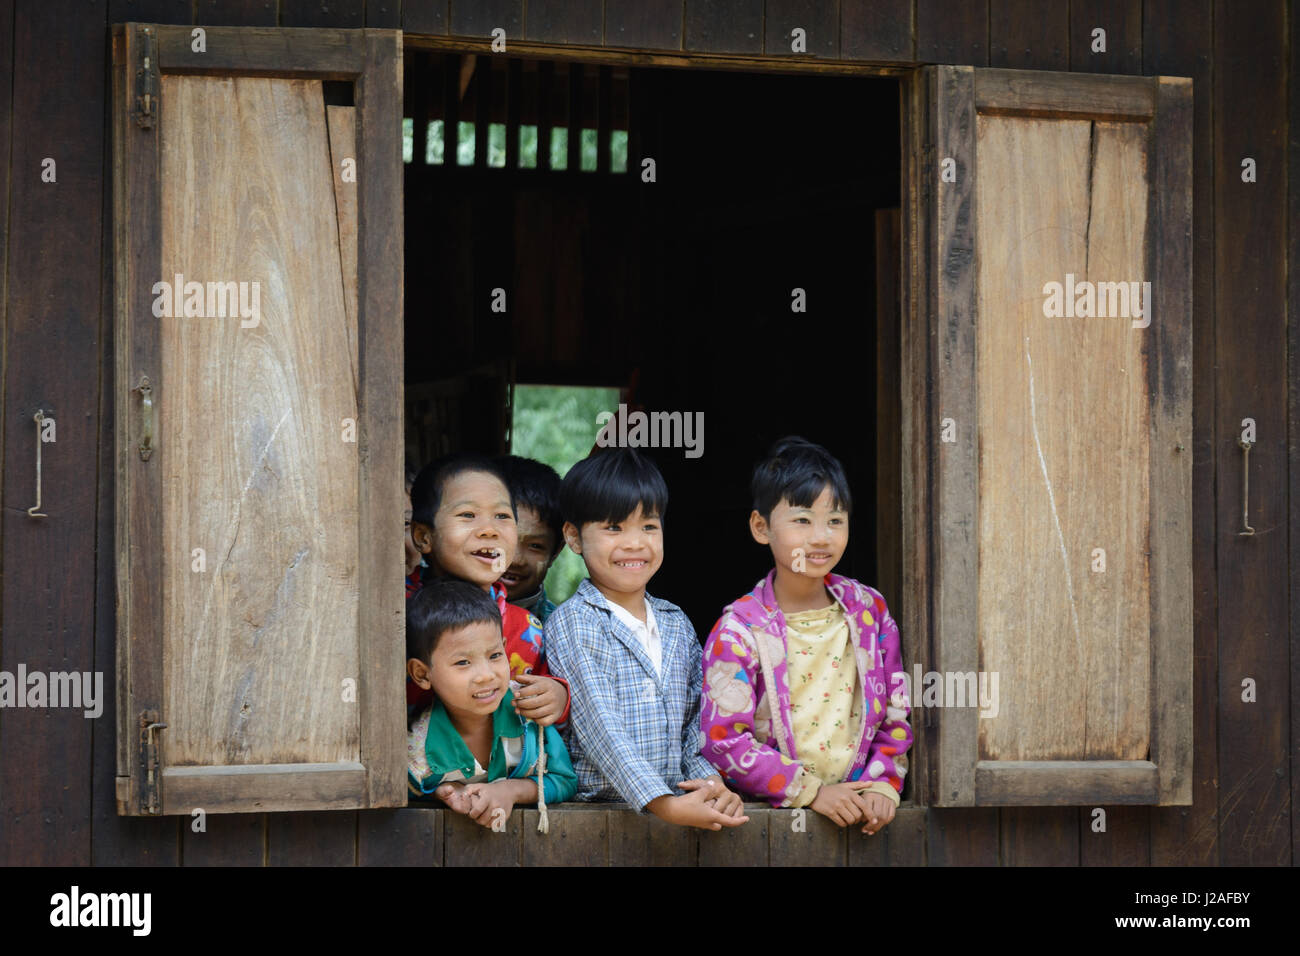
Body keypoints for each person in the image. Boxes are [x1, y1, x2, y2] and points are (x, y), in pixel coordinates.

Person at [700, 436, 912, 836]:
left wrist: (884, 780)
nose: (821, 536)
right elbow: (723, 740)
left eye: (835, 520)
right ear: (761, 527)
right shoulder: (740, 629)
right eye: (802, 520)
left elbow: (897, 707)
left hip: (861, 808)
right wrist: (809, 791)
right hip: (769, 826)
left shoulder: (870, 612)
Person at [544, 448, 748, 831]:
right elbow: (600, 726)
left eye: (648, 527)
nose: (635, 543)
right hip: (597, 820)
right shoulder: (576, 622)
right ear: (573, 536)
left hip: (679, 809)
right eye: (613, 528)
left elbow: (695, 723)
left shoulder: (675, 622)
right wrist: (664, 804)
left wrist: (709, 782)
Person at [407, 452, 569, 728]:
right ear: (424, 536)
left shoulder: (526, 628)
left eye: (502, 516)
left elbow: (542, 688)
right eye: (468, 514)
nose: (489, 530)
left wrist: (557, 695)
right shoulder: (397, 613)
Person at [406, 579, 576, 825]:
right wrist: (440, 792)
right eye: (463, 662)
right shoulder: (419, 749)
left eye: (495, 655)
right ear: (422, 674)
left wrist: (511, 791)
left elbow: (565, 780)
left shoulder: (527, 712)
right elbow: (401, 795)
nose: (487, 675)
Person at [494, 455, 564, 622]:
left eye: (535, 546)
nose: (516, 560)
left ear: (555, 552)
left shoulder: (557, 631)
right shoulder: (428, 607)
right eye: (502, 539)